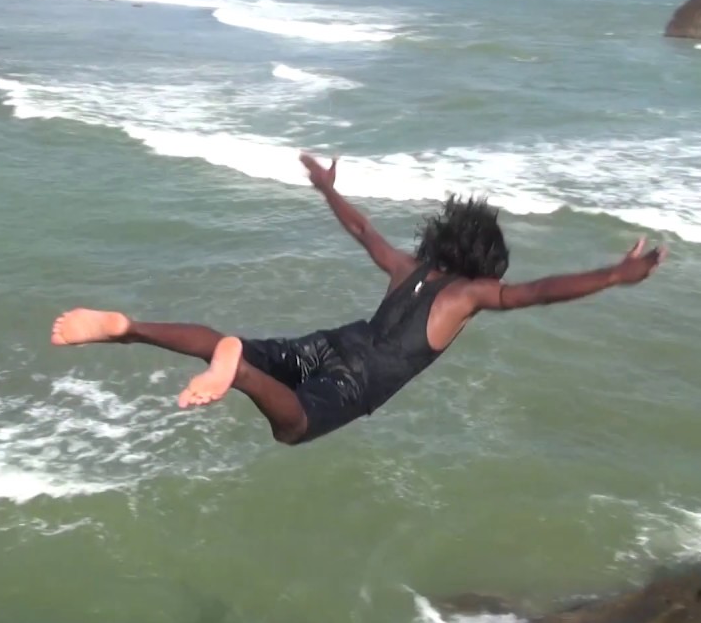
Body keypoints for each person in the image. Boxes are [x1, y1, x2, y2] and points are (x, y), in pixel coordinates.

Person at [51, 152, 666, 445]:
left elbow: (361, 230)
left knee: (244, 350)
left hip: (333, 340)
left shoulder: (407, 267)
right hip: (359, 378)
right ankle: (235, 371)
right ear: (484, 262)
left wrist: (326, 186)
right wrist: (614, 275)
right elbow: (538, 293)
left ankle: (128, 328)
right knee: (290, 424)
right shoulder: (470, 294)